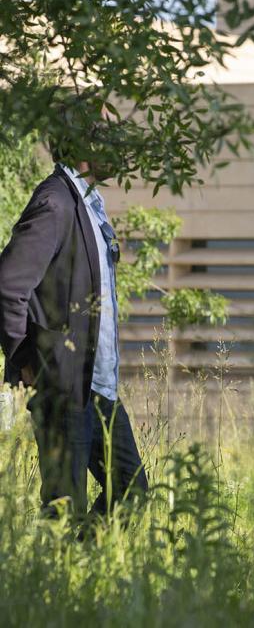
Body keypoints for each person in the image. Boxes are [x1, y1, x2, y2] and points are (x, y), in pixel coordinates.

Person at [0, 133, 148, 522]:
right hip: (63, 386)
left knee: (132, 490)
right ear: (84, 143)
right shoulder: (56, 202)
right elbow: (9, 285)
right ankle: (58, 561)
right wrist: (26, 360)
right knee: (64, 510)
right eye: (108, 137)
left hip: (97, 387)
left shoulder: (87, 203)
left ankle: (84, 558)